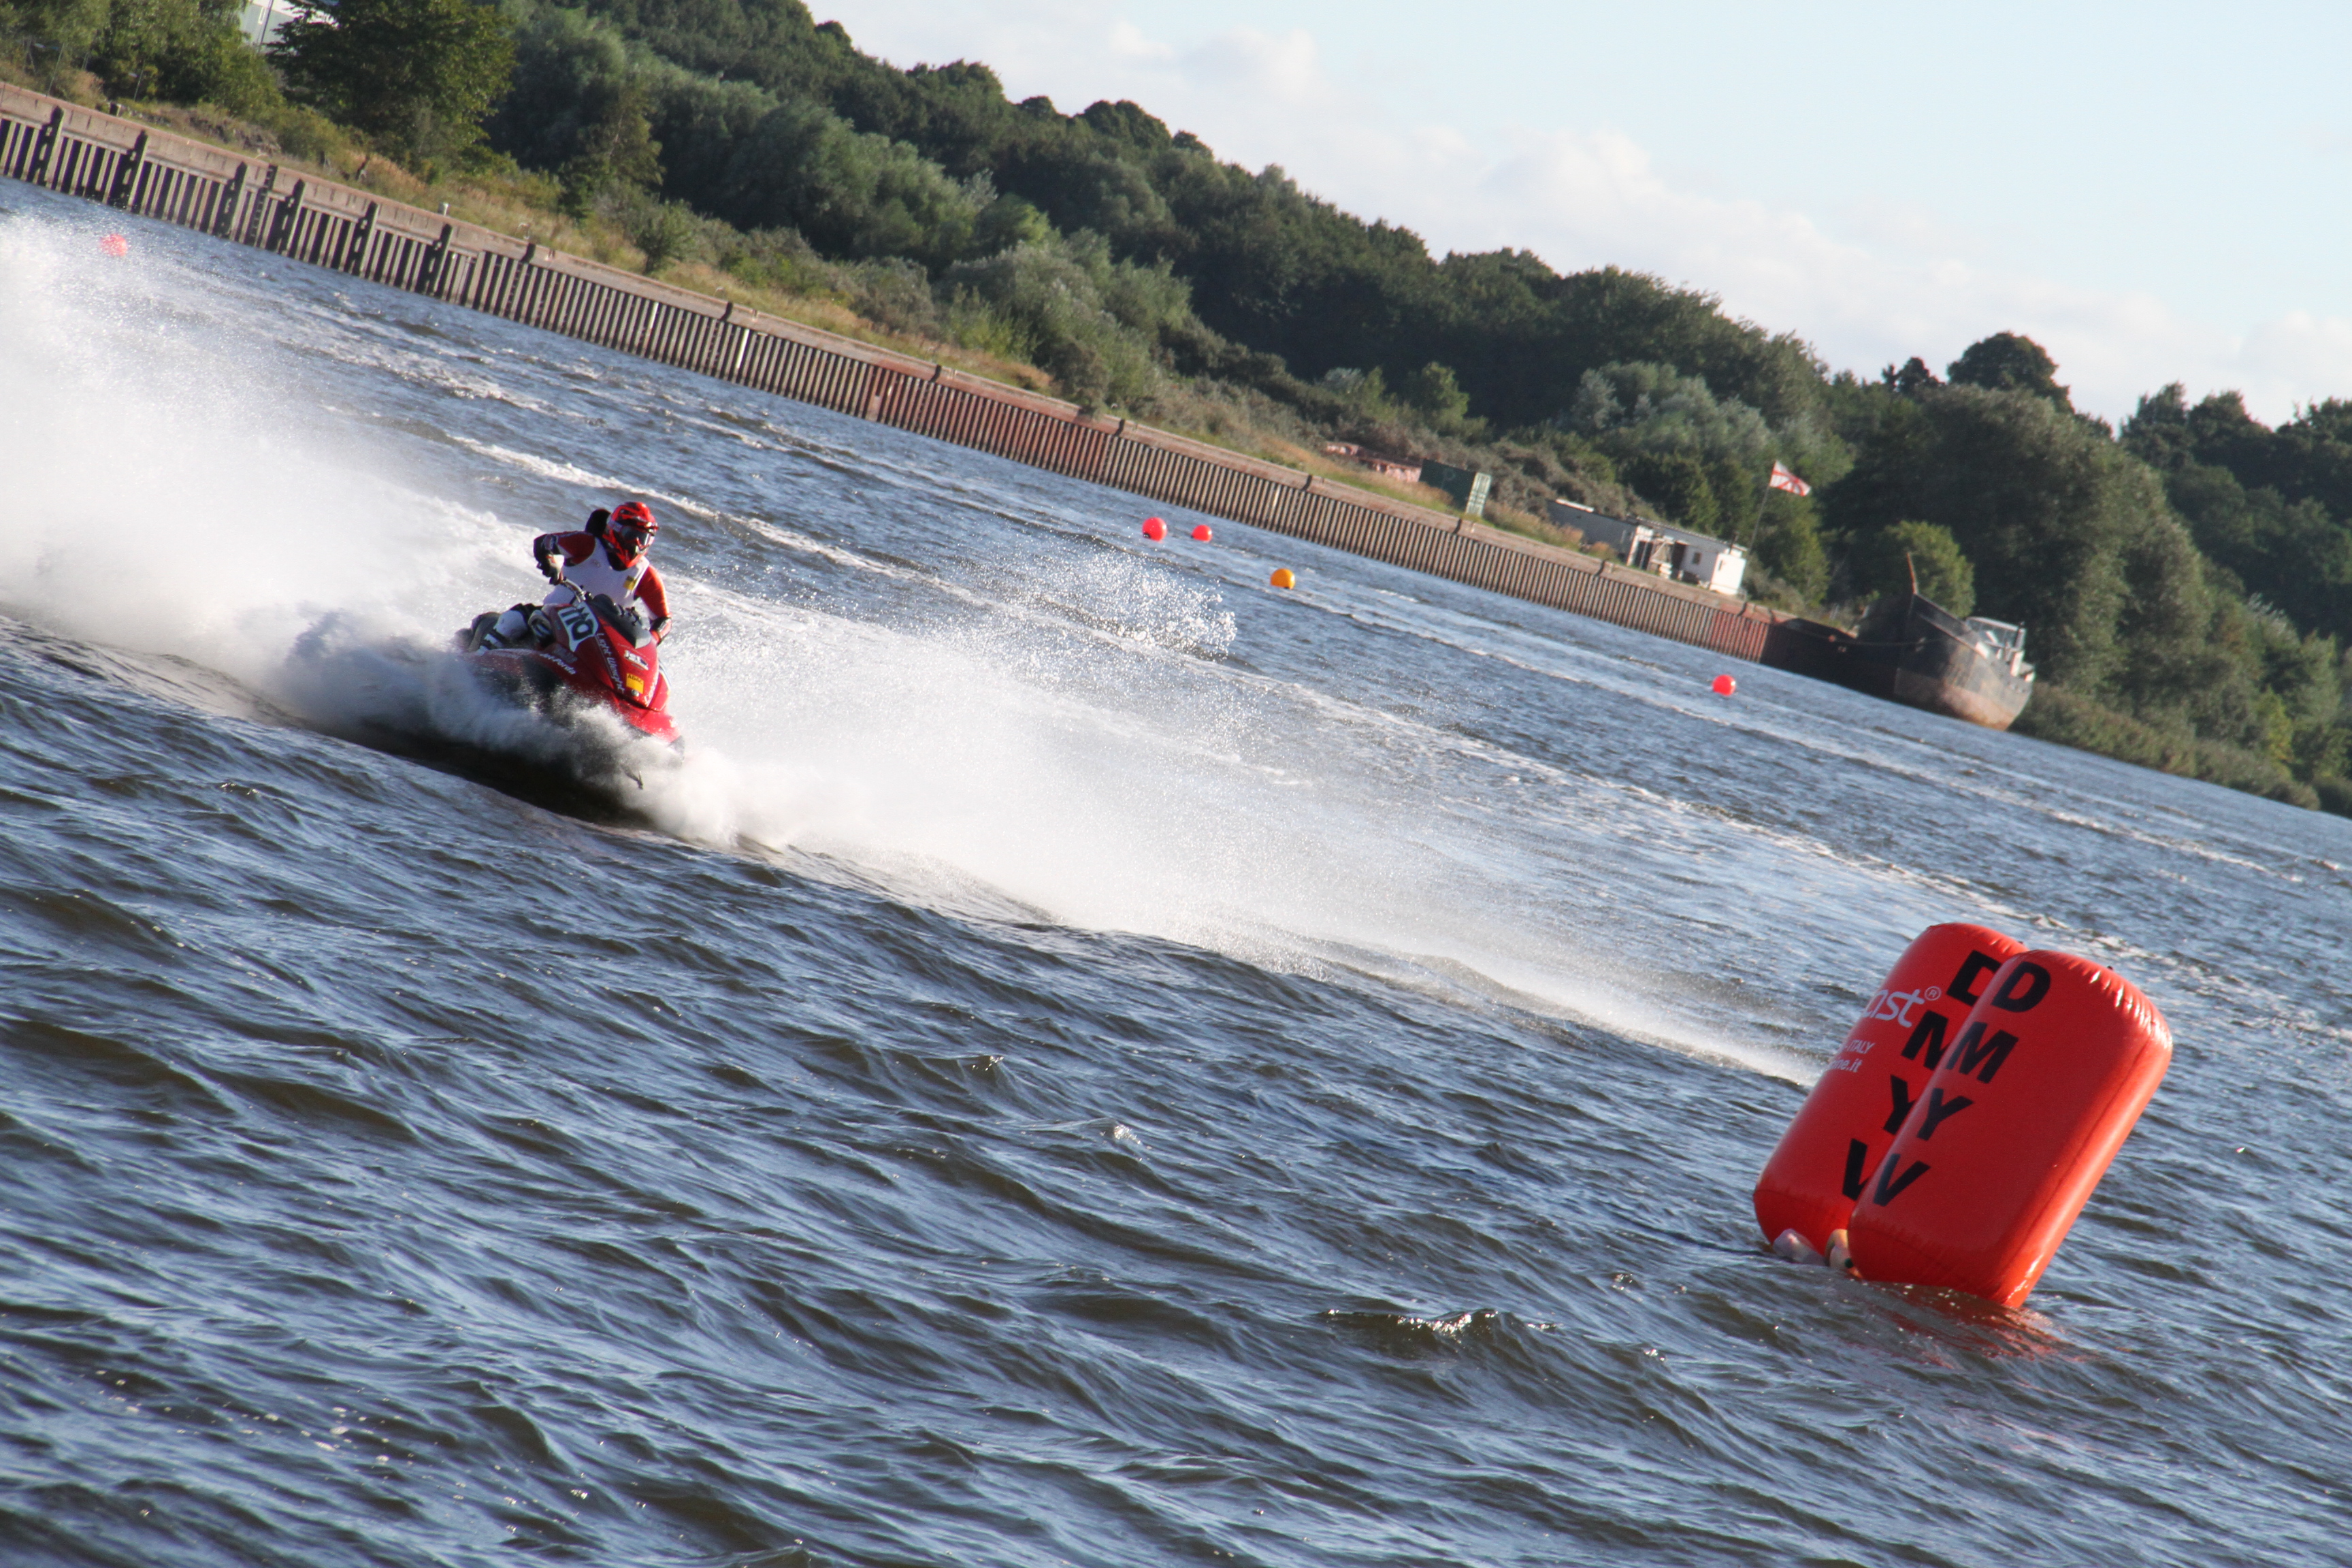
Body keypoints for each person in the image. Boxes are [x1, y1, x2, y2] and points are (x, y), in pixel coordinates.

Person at [478, 500, 670, 649]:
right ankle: (479, 657)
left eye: (643, 538)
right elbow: (545, 543)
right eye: (631, 535)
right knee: (514, 620)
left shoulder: (646, 574)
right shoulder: (588, 544)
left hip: (605, 642)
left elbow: (664, 620)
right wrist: (551, 564)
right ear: (616, 530)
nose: (636, 544)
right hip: (554, 619)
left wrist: (651, 641)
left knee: (652, 666)